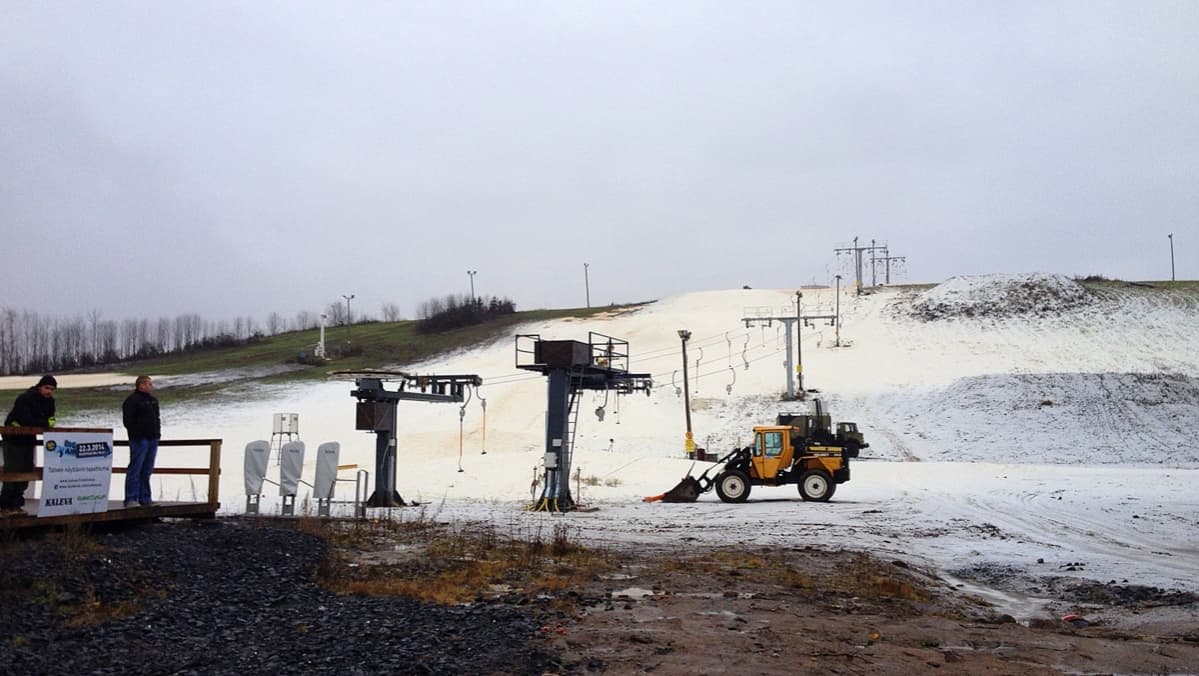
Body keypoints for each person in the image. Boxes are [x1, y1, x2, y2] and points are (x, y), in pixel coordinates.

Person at [2, 374, 57, 514]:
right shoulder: (25, 398)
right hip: (13, 437)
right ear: (40, 387)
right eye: (47, 388)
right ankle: (5, 505)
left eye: (52, 389)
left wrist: (48, 422)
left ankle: (16, 504)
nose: (49, 391)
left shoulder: (50, 402)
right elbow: (26, 419)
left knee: (26, 470)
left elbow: (51, 417)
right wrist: (45, 423)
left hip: (28, 438)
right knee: (13, 470)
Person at [122, 375, 161, 508]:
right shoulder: (132, 401)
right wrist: (137, 435)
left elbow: (157, 418)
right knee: (135, 468)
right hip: (139, 439)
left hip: (152, 438)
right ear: (141, 385)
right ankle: (131, 498)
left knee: (147, 469)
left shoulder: (153, 401)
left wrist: (157, 434)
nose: (151, 386)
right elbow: (128, 421)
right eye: (149, 384)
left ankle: (145, 497)